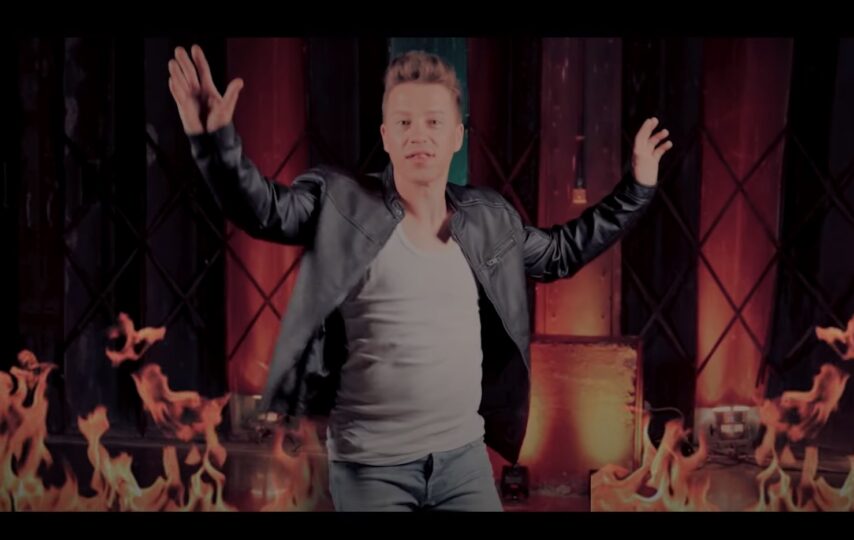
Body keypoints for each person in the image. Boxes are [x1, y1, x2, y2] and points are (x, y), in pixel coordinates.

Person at [168, 44, 672, 511]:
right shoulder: (341, 202)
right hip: (371, 468)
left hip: (463, 462)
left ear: (457, 136)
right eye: (404, 122)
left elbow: (563, 251)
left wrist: (638, 187)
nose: (418, 134)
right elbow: (265, 210)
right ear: (386, 136)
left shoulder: (489, 221)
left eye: (434, 121)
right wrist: (215, 144)